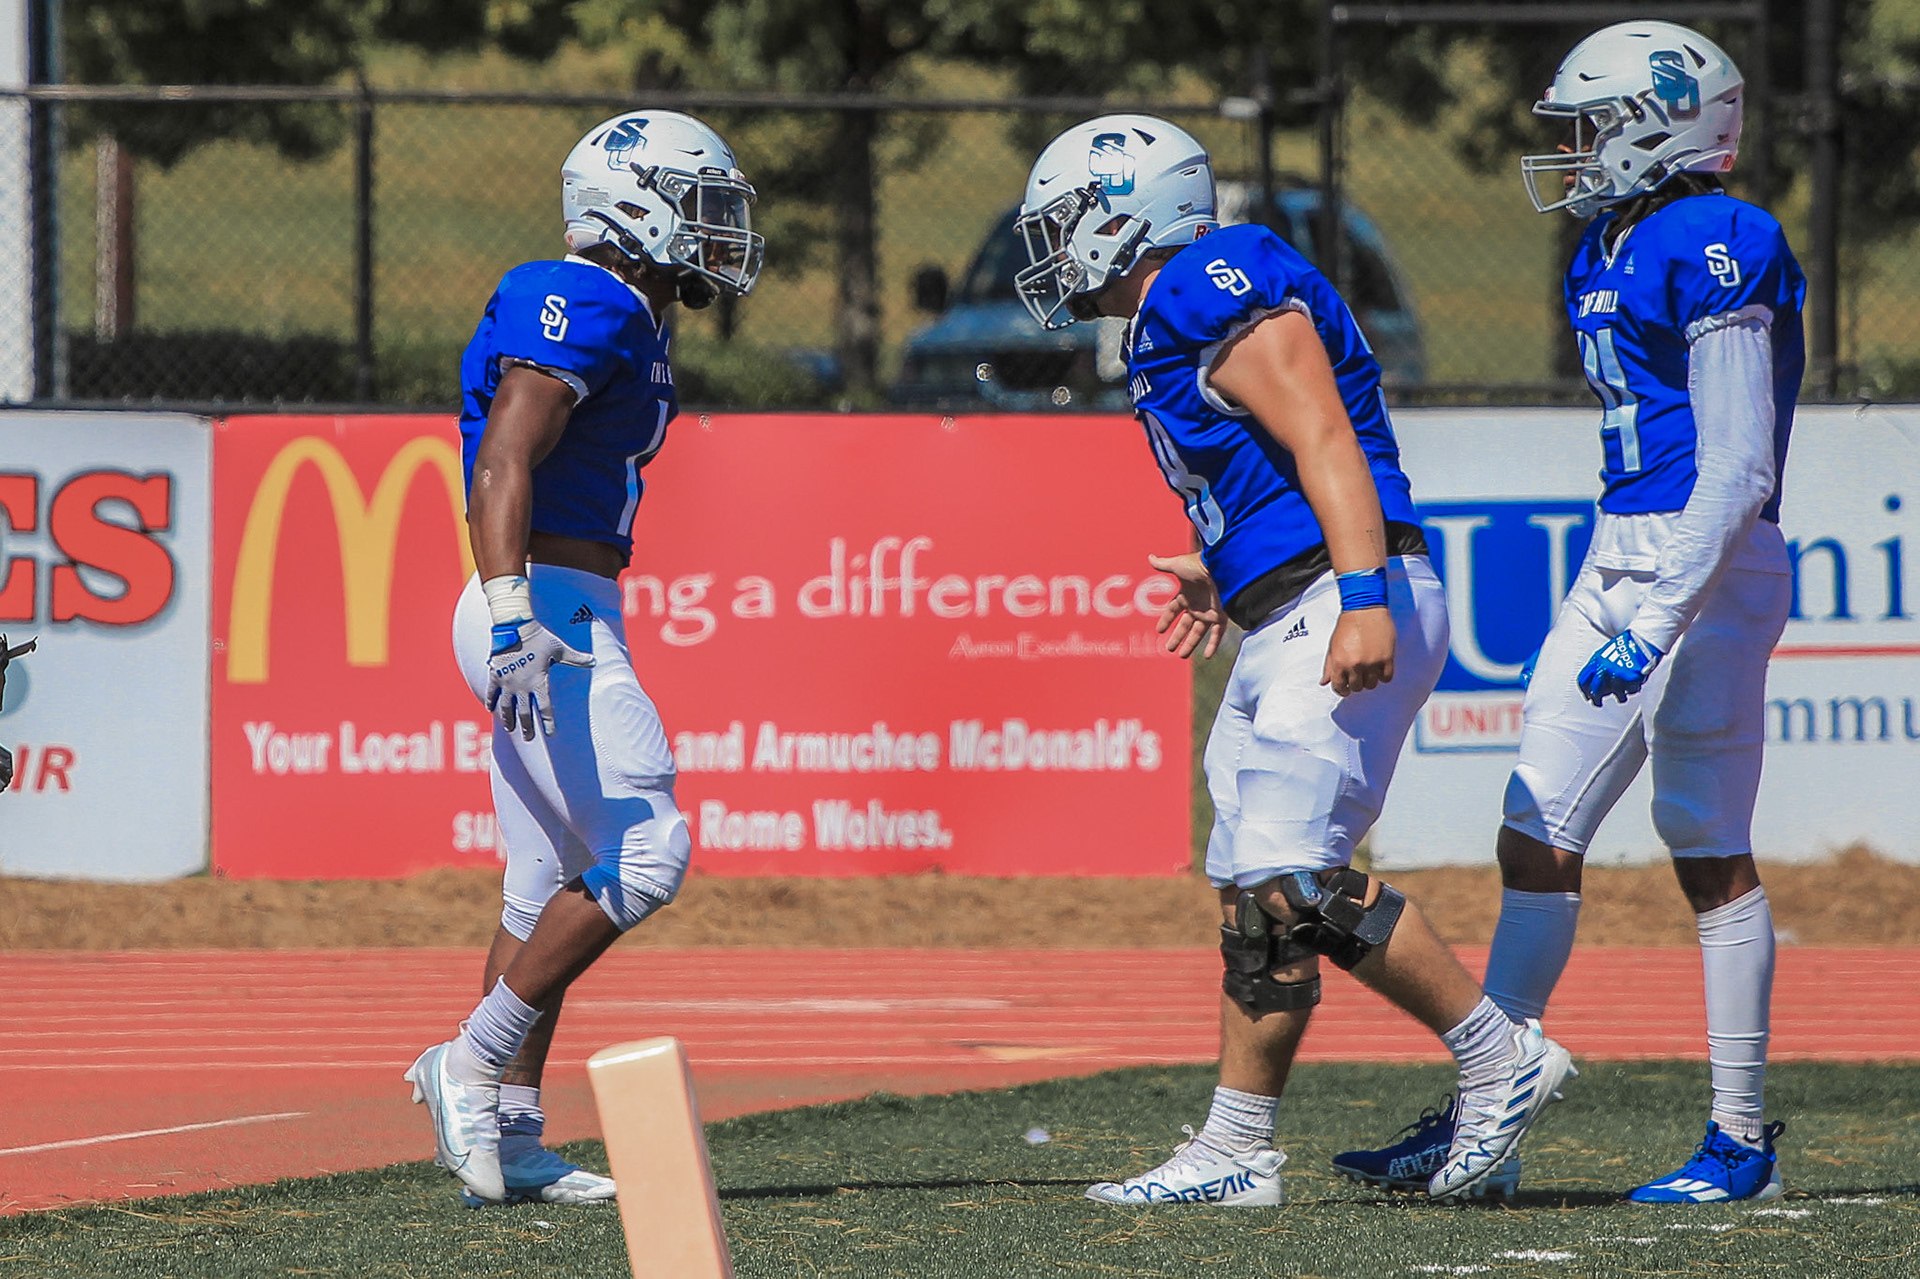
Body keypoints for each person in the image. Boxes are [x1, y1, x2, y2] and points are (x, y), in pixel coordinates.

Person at [1013, 115, 1574, 1207]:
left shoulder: (1207, 279)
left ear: (1132, 215)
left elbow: (1323, 432)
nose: (1054, 247)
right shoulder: (1172, 314)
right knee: (1253, 892)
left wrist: (1358, 595)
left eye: (1069, 220)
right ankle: (1236, 1147)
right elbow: (1274, 463)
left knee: (1291, 874)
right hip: (1292, 605)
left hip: (1342, 597)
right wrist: (1230, 568)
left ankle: (1498, 1054)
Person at [1337, 22, 1803, 1205]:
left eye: (1596, 125)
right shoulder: (1610, 239)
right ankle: (1494, 1099)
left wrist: (1661, 614)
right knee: (1532, 827)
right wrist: (1627, 594)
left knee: (1706, 846)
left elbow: (1740, 467)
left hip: (1711, 560)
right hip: (1621, 552)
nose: (1581, 151)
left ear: (1663, 121)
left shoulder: (1718, 235)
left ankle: (1737, 1137)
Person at [406, 110, 763, 1207]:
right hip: (542, 601)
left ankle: (507, 1133)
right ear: (635, 204)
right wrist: (515, 606)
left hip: (558, 594)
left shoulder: (631, 313)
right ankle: (467, 1064)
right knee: (646, 851)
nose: (715, 231)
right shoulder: (590, 297)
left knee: (538, 887)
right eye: (696, 205)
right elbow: (508, 448)